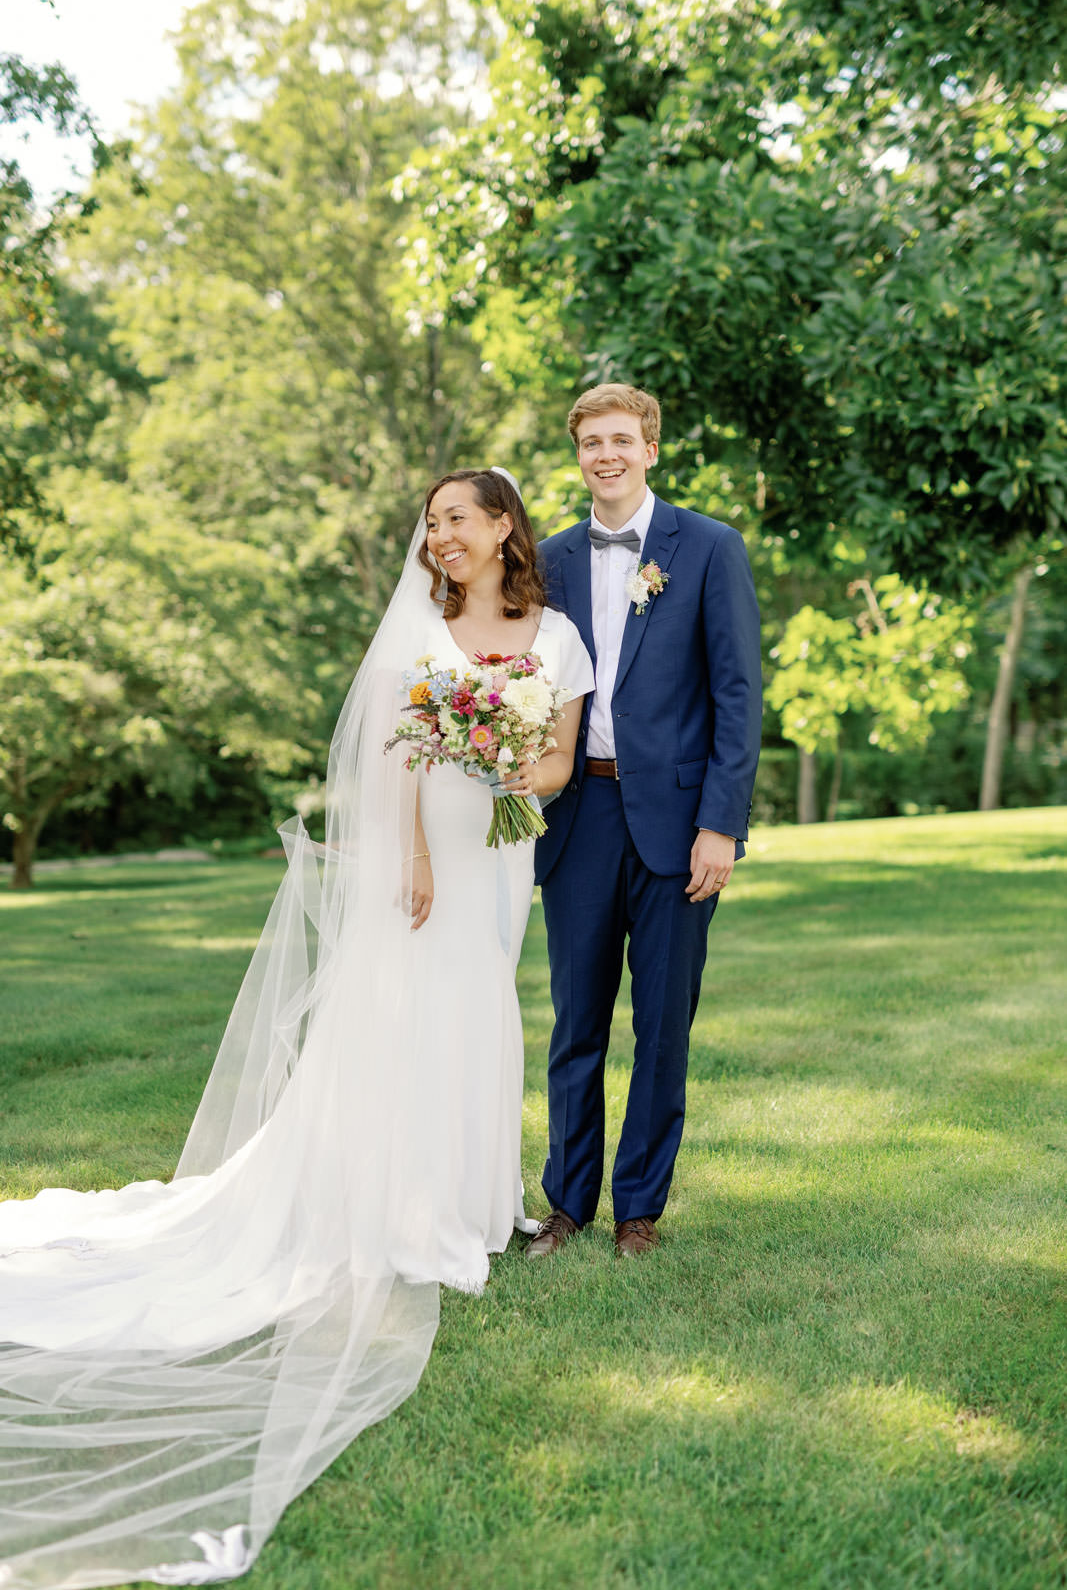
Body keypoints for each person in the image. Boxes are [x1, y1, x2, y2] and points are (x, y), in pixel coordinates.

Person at [0, 469, 593, 1590]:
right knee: (405, 1011)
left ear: (504, 524)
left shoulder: (554, 632)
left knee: (478, 1008)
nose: (442, 537)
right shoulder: (420, 623)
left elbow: (558, 754)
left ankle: (470, 1200)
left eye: (458, 519)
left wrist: (523, 770)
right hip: (427, 858)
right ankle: (388, 1199)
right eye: (432, 524)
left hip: (505, 849)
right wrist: (412, 857)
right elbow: (396, 756)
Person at [529, 385, 762, 1261]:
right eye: (592, 442)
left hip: (677, 824)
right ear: (579, 454)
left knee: (662, 1026)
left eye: (621, 439)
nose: (607, 455)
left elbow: (738, 696)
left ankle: (638, 1212)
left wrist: (720, 827)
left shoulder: (707, 548)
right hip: (577, 815)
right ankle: (564, 1205)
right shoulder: (546, 561)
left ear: (650, 448)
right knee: (574, 1023)